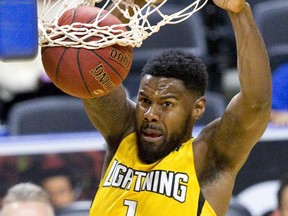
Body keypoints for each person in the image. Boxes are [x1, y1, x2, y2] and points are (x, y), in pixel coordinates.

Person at [81, 0, 272, 215]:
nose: (151, 114)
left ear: (197, 108)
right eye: (145, 101)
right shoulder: (123, 133)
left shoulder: (208, 157)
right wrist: (131, 4)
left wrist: (240, 13)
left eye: (166, 104)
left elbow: (256, 102)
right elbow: (88, 56)